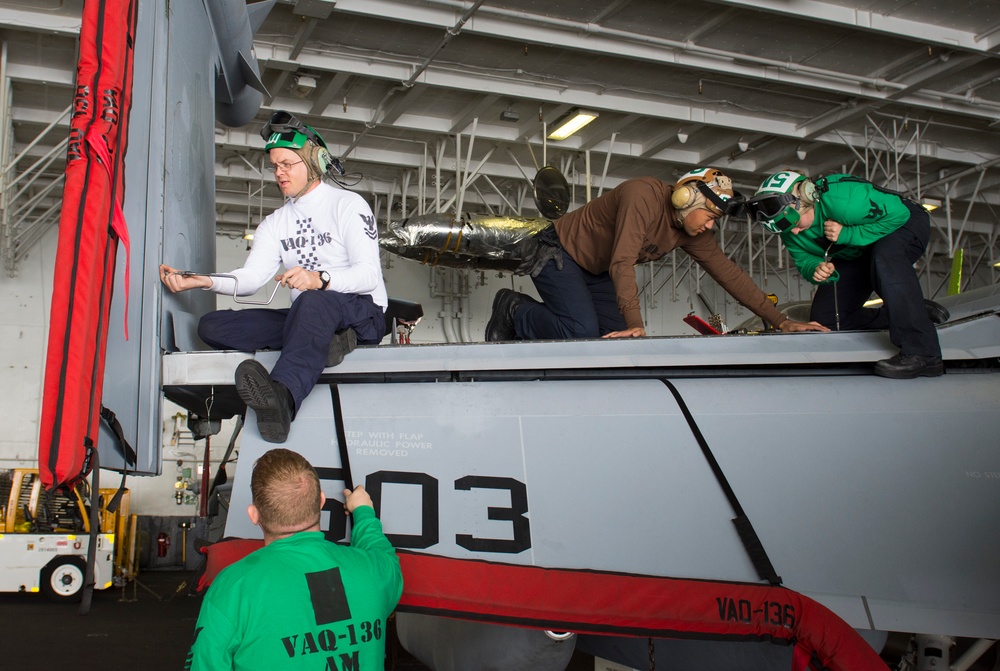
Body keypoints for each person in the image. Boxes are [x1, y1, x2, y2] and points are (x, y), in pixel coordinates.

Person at [160, 111, 387, 443]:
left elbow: (367, 275)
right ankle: (329, 342)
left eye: (287, 164)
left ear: (315, 162)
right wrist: (203, 280)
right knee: (212, 326)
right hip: (310, 317)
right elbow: (251, 278)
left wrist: (318, 279)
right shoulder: (275, 223)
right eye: (275, 166)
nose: (279, 173)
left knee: (312, 301)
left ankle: (283, 399)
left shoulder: (348, 205)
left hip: (362, 312)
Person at [485, 168, 828, 341]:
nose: (710, 226)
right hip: (559, 252)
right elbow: (622, 261)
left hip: (597, 270)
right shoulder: (642, 196)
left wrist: (781, 321)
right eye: (710, 217)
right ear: (686, 200)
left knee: (613, 342)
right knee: (581, 332)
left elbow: (728, 272)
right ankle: (513, 309)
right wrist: (637, 324)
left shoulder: (692, 231)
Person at [185, 448, 403, 671]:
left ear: (254, 515)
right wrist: (364, 512)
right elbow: (383, 554)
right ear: (320, 501)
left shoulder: (233, 587)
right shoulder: (376, 570)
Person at [746, 170, 948, 379]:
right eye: (786, 229)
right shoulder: (788, 227)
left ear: (807, 200)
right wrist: (815, 268)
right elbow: (804, 259)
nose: (794, 233)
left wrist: (848, 234)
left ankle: (924, 353)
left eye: (796, 224)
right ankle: (912, 310)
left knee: (884, 256)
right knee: (827, 320)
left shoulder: (843, 200)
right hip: (853, 248)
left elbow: (899, 215)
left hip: (899, 224)